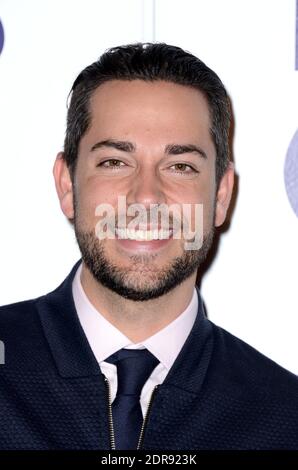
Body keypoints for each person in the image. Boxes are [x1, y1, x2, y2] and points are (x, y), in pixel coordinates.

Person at [0, 42, 298, 451]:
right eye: (115, 162)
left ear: (222, 195)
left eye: (180, 167)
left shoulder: (284, 416)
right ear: (67, 185)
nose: (145, 196)